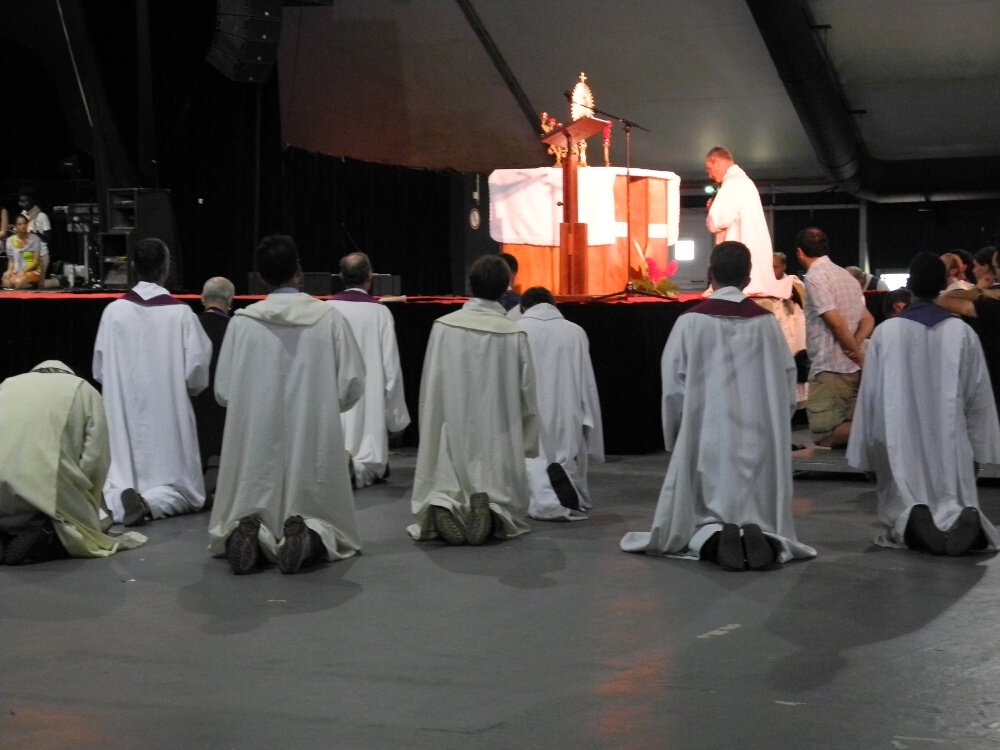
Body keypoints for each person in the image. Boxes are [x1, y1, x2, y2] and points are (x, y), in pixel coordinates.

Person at [620, 241, 816, 570]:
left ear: (710, 274)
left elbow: (673, 386)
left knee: (696, 520)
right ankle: (763, 537)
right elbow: (787, 381)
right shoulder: (766, 323)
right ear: (748, 276)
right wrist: (779, 426)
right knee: (759, 508)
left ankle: (713, 538)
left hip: (706, 433)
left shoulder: (690, 322)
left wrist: (676, 436)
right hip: (757, 436)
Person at [208, 235, 366, 574]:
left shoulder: (243, 323)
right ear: (299, 272)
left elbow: (224, 391)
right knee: (321, 516)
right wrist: (324, 404)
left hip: (258, 436)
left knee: (254, 498)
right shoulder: (328, 318)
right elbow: (352, 384)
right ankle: (307, 535)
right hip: (311, 432)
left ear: (263, 278)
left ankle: (250, 529)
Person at [847, 252, 1000, 555]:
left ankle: (912, 518)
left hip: (899, 444)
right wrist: (978, 453)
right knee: (954, 496)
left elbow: (871, 398)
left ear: (910, 285)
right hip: (951, 445)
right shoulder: (963, 333)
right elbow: (977, 398)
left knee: (901, 498)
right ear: (943, 285)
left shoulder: (886, 333)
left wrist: (869, 453)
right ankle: (958, 516)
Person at [408, 255, 540, 545]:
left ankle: (445, 503)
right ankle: (492, 509)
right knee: (496, 477)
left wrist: (428, 422)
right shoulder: (514, 332)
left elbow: (431, 381)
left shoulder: (444, 326)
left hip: (453, 420)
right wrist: (529, 440)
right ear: (507, 287)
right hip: (498, 426)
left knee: (447, 468)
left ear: (470, 285)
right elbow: (527, 392)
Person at [93, 238, 212, 526]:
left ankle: (121, 501)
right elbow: (196, 374)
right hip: (167, 414)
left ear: (133, 267)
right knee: (182, 488)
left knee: (119, 477)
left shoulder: (113, 312)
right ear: (166, 269)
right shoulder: (181, 314)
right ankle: (150, 503)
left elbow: (100, 371)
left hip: (124, 412)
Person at [0, 361, 146, 564]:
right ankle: (48, 534)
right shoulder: (83, 390)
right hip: (44, 493)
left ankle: (6, 533)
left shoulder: (7, 384)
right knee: (80, 529)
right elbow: (95, 459)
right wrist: (85, 497)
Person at [516, 286, 604, 521]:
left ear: (523, 307)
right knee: (566, 454)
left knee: (533, 456)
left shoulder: (517, 329)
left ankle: (545, 498)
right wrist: (589, 418)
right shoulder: (575, 331)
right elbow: (587, 381)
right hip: (568, 406)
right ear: (553, 303)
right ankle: (569, 490)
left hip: (529, 408)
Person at [328, 251, 411, 487]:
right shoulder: (380, 313)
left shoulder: (327, 310)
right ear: (370, 277)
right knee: (369, 455)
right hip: (369, 398)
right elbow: (391, 367)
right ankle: (358, 469)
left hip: (335, 396)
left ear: (342, 277)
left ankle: (339, 464)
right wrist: (395, 419)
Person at [796, 227, 874, 448]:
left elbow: (835, 322)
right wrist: (855, 345)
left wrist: (856, 352)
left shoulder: (815, 277)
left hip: (830, 366)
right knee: (847, 423)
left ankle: (882, 429)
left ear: (799, 252)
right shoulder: (846, 276)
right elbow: (868, 320)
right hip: (851, 367)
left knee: (823, 433)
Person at [704, 146, 792, 299]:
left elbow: (717, 221)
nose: (709, 174)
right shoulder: (745, 182)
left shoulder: (732, 183)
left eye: (709, 169)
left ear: (717, 162)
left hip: (741, 245)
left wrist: (712, 209)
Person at [191, 276, 235, 486]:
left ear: (202, 298)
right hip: (227, 405)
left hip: (194, 403)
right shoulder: (236, 328)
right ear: (230, 301)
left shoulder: (190, 325)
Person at [2, 214, 44, 289]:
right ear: (16, 226)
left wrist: (23, 271)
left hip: (32, 271)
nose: (23, 226)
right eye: (20, 224)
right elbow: (11, 261)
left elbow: (36, 262)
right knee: (6, 282)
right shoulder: (10, 241)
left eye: (25, 223)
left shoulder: (35, 239)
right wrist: (9, 271)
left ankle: (33, 287)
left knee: (18, 282)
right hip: (17, 271)